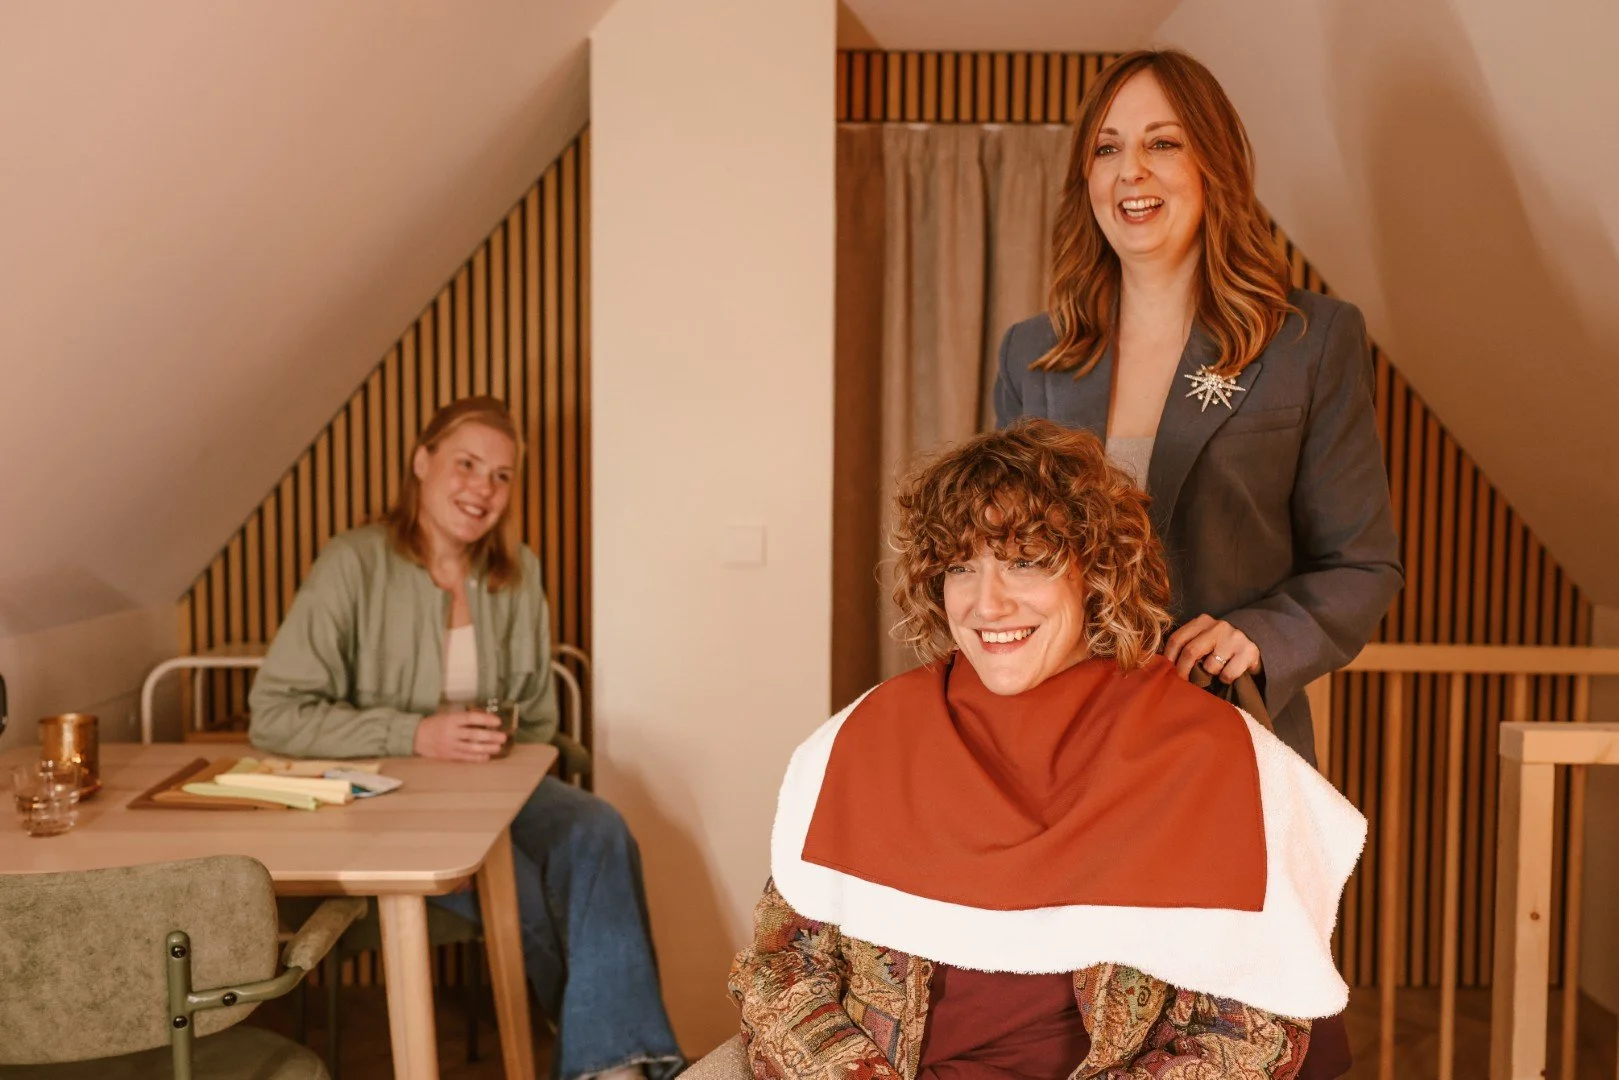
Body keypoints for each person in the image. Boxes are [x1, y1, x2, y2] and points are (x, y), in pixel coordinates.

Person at [730, 420, 1365, 1080]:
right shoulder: (863, 738)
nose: (986, 603)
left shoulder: (1208, 755)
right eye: (959, 568)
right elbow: (781, 970)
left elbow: (1243, 1032)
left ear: (1096, 573)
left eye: (1026, 562)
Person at [249, 396, 683, 1080]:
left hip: (500, 784)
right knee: (523, 888)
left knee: (598, 826)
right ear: (422, 463)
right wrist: (416, 733)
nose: (482, 488)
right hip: (383, 801)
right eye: (467, 464)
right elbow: (274, 715)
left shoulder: (518, 570)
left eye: (501, 475)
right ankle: (616, 1061)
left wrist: (493, 759)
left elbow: (535, 717)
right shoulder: (352, 562)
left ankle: (608, 1057)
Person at [993, 49, 1403, 769]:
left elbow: (1360, 565)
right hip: (1060, 737)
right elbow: (1001, 558)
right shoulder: (1032, 355)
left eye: (1162, 143)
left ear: (1213, 164)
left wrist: (1260, 635)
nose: (1131, 172)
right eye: (1106, 148)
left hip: (1224, 735)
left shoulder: (1309, 342)